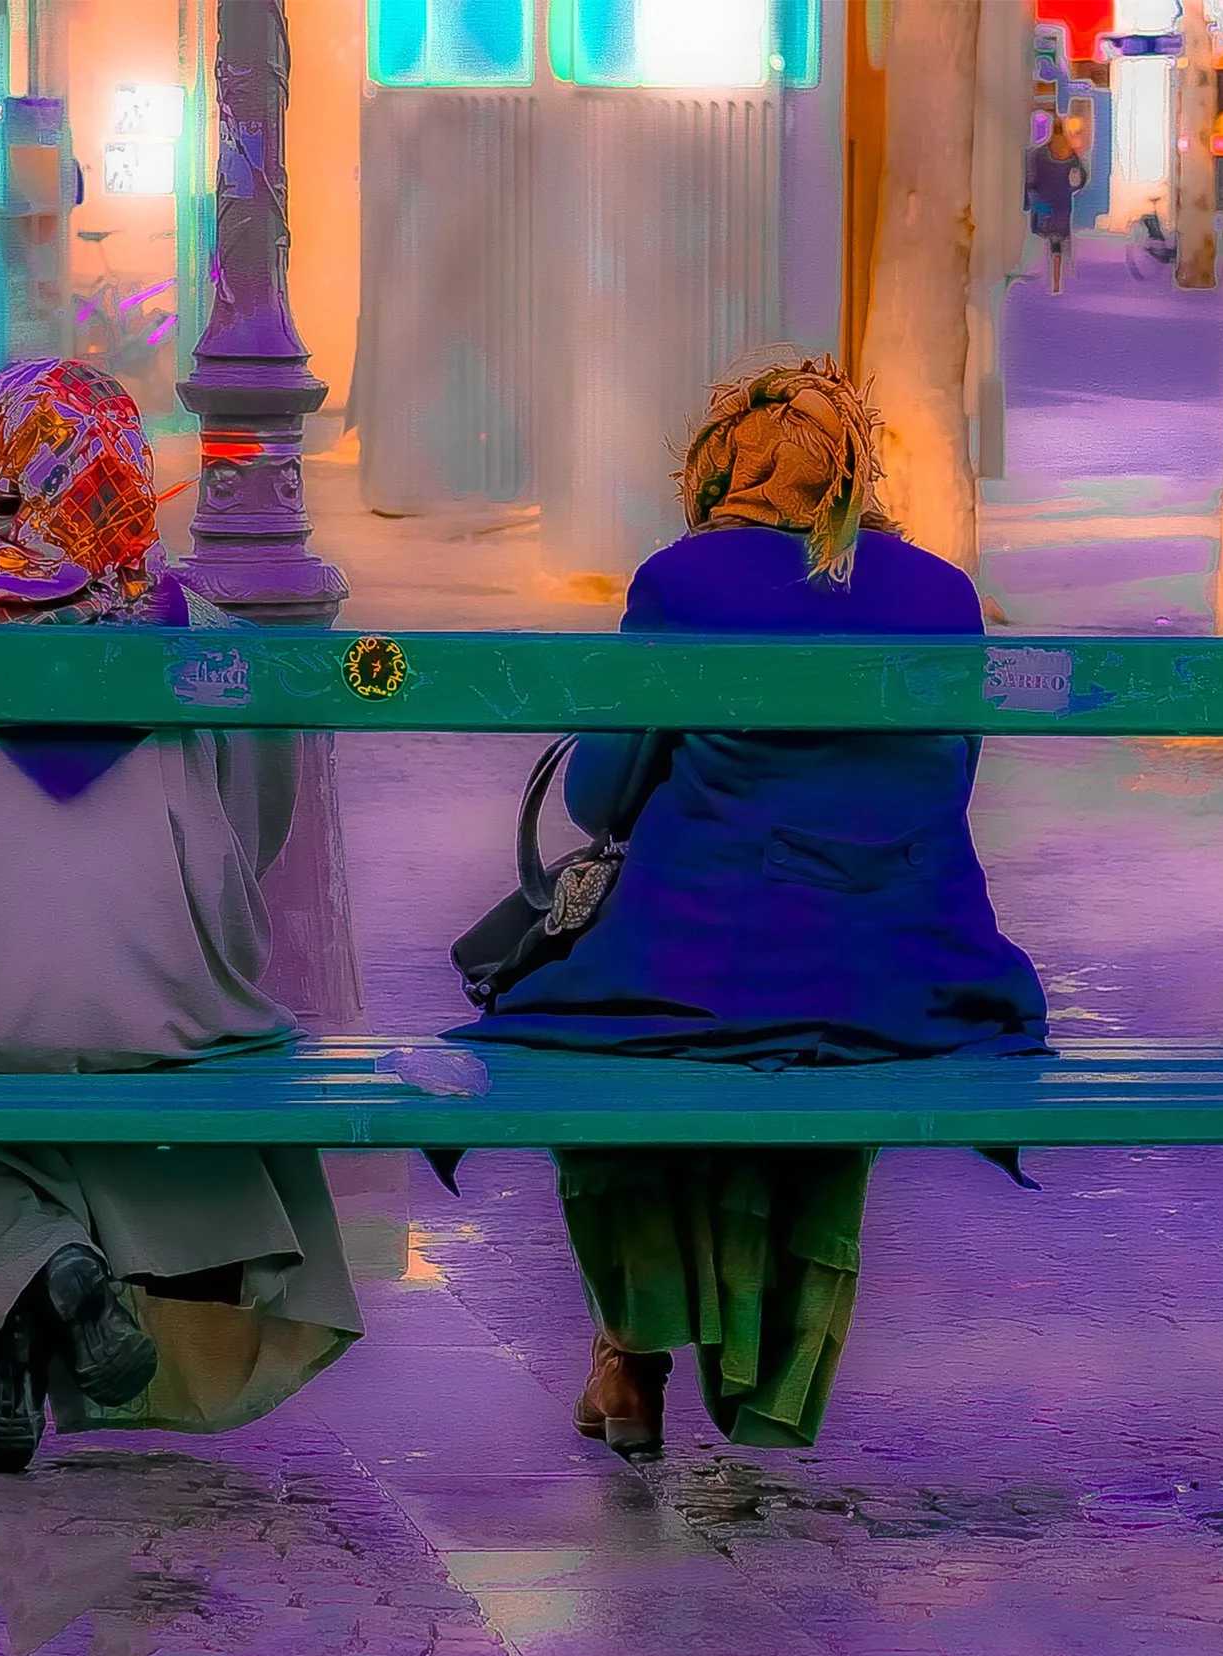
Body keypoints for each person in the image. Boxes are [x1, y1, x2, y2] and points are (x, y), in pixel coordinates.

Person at [450, 357, 1050, 1457]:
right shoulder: (942, 592)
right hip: (906, 980)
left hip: (706, 969)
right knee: (790, 1013)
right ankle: (766, 1364)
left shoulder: (684, 580)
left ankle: (631, 1348)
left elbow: (597, 797)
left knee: (580, 1019)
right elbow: (945, 781)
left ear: (723, 471)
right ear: (853, 472)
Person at [0, 358, 363, 1474]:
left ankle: (34, 1277)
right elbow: (253, 828)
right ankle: (46, 1296)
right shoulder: (208, 637)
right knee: (116, 1059)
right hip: (168, 1014)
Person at [1024, 122, 1091, 295]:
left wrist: (1031, 197)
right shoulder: (1070, 154)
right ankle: (1060, 277)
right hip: (1062, 201)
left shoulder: (1040, 154)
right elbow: (1082, 177)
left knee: (1047, 238)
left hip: (1045, 201)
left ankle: (1051, 279)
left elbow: (1032, 180)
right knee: (1060, 238)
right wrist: (1071, 188)